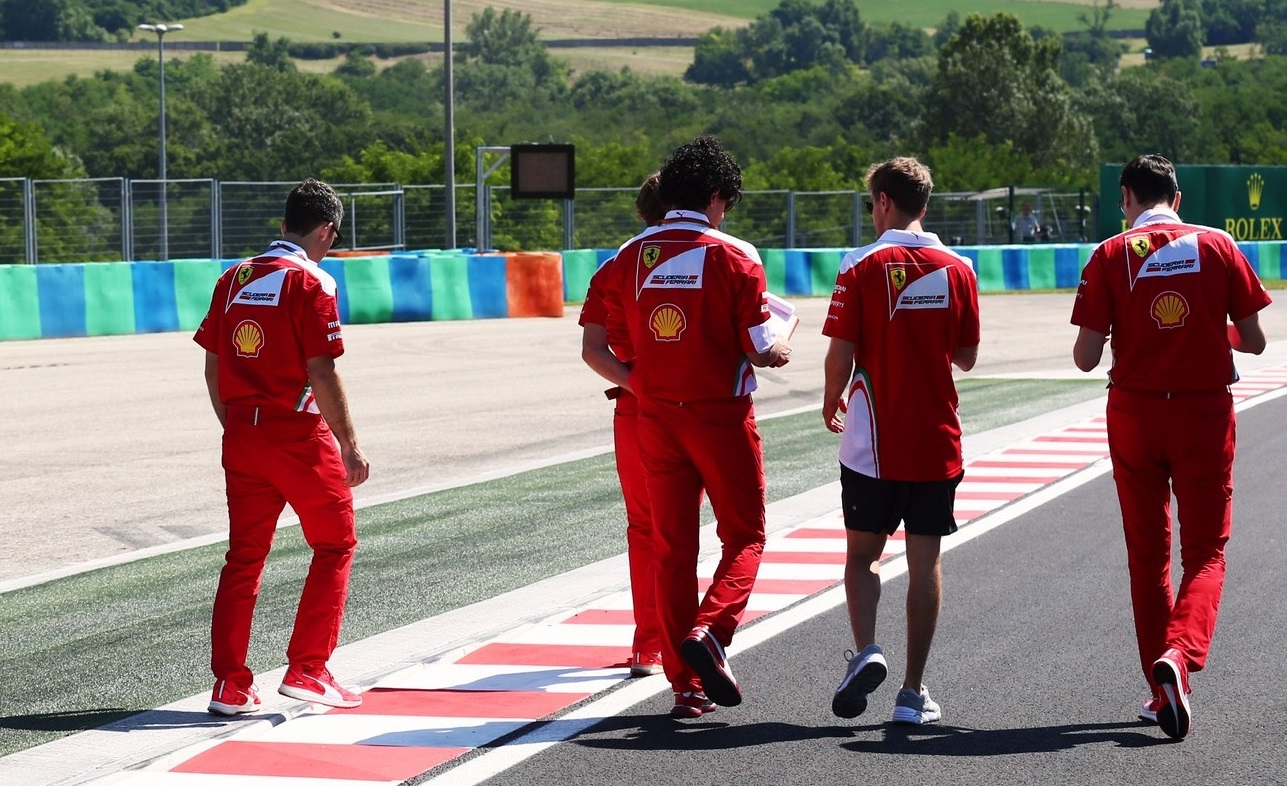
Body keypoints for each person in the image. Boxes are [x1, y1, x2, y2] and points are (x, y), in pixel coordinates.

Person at [1071, 154, 1270, 740]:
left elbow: (1085, 357)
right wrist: (1211, 328)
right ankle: (1179, 659)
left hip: (1134, 413)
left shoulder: (1109, 253)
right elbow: (1255, 341)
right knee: (1206, 551)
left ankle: (1160, 692)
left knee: (1147, 556)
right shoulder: (1219, 244)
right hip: (1203, 412)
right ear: (1178, 199)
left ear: (1128, 197)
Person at [597, 136, 791, 719]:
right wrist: (781, 344)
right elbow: (761, 350)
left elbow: (599, 344)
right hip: (721, 417)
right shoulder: (737, 254)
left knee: (673, 550)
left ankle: (684, 686)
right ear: (713, 197)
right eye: (725, 201)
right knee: (746, 536)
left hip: (653, 417)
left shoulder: (627, 258)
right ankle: (712, 630)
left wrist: (645, 382)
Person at [194, 178, 371, 716]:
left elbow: (214, 363)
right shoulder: (313, 281)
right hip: (297, 436)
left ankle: (230, 684)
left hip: (243, 436)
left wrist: (239, 424)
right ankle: (309, 670)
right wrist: (350, 444)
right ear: (326, 230)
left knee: (243, 559)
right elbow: (321, 369)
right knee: (335, 544)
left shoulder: (234, 276)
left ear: (282, 225)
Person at [822, 157, 980, 725]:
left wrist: (829, 397)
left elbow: (841, 349)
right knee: (924, 561)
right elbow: (966, 355)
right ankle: (912, 693)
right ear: (925, 206)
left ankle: (867, 650)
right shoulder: (959, 266)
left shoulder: (860, 264)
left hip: (871, 441)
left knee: (862, 558)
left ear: (883, 202)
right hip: (936, 439)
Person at [579, 172, 667, 679]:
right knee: (686, 526)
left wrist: (636, 383)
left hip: (635, 407)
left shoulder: (615, 265)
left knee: (644, 527)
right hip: (699, 407)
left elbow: (592, 350)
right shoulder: (707, 255)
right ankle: (689, 632)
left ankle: (649, 644)